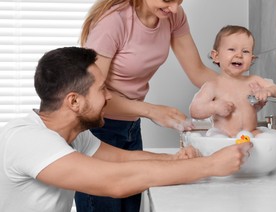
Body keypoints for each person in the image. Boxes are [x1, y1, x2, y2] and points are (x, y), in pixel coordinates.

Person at [0, 47, 252, 212]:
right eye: (102, 89)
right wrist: (211, 165)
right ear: (74, 101)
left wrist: (174, 159)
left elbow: (124, 159)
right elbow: (115, 182)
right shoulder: (27, 139)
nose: (109, 97)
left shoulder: (74, 136)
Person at [78, 0, 218, 210]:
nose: (175, 9)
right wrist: (152, 111)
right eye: (167, 0)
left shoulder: (173, 16)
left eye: (182, 0)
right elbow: (90, 98)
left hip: (131, 128)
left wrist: (242, 89)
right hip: (98, 130)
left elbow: (198, 72)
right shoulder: (114, 22)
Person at [189, 25, 276, 138]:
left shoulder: (254, 80)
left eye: (245, 51)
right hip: (224, 136)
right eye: (232, 49)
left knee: (266, 140)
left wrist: (267, 91)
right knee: (217, 140)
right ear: (216, 56)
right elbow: (194, 110)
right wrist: (214, 107)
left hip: (251, 133)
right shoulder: (213, 85)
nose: (239, 55)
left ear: (252, 59)